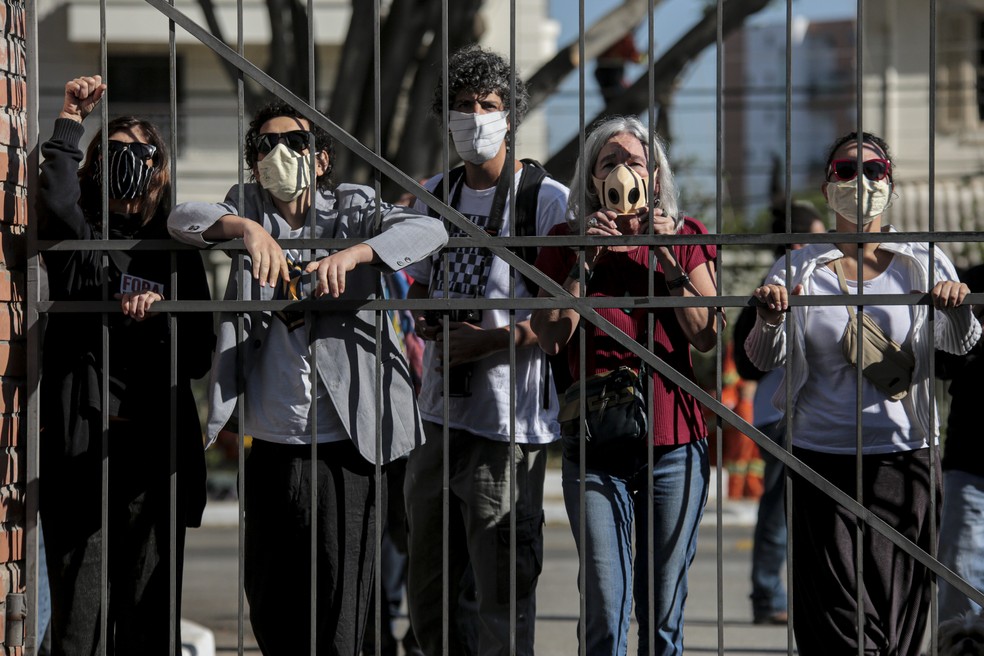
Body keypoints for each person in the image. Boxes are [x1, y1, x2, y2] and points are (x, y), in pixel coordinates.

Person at [167, 100, 447, 655]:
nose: (279, 156)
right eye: (265, 146)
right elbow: (182, 219)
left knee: (344, 612)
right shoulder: (244, 205)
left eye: (294, 144)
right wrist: (245, 229)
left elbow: (429, 229)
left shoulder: (354, 206)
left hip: (348, 444)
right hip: (272, 443)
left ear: (320, 160)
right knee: (272, 605)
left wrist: (359, 253)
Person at [743, 131, 981, 655]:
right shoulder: (799, 266)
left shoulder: (923, 261)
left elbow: (960, 348)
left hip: (904, 459)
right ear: (828, 187)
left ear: (890, 183)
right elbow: (762, 359)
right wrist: (768, 320)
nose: (861, 182)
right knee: (838, 619)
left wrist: (958, 309)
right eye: (846, 171)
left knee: (898, 611)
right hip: (819, 462)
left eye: (874, 170)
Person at [403, 45, 569, 656]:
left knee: (503, 593)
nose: (475, 118)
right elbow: (417, 282)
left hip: (506, 424)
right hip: (436, 415)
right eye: (463, 106)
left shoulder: (545, 200)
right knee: (429, 597)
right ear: (444, 116)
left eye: (489, 105)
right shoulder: (433, 194)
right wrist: (426, 316)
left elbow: (561, 323)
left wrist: (488, 340)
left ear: (510, 115)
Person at [38, 75, 213, 655]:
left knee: (148, 618)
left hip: (153, 456)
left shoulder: (173, 249)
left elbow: (198, 355)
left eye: (138, 154)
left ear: (157, 167)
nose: (125, 165)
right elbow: (58, 201)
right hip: (83, 449)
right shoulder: (81, 240)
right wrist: (70, 120)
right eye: (112, 154)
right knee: (78, 620)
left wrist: (163, 314)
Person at [531, 115, 719, 655]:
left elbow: (706, 335)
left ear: (655, 177)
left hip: (674, 443)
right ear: (591, 181)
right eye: (608, 163)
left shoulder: (684, 236)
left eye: (634, 162)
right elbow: (548, 336)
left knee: (661, 614)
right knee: (603, 609)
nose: (622, 172)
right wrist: (582, 263)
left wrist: (667, 260)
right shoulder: (567, 240)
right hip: (594, 444)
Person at [732, 201, 826, 625]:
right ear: (796, 241)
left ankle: (801, 596)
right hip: (783, 413)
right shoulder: (774, 288)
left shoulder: (823, 281)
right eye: (819, 236)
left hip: (811, 413)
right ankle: (769, 597)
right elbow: (747, 358)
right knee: (780, 508)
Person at [936, 263, 984, 621]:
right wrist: (960, 320)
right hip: (972, 457)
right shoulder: (971, 282)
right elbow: (941, 363)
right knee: (960, 576)